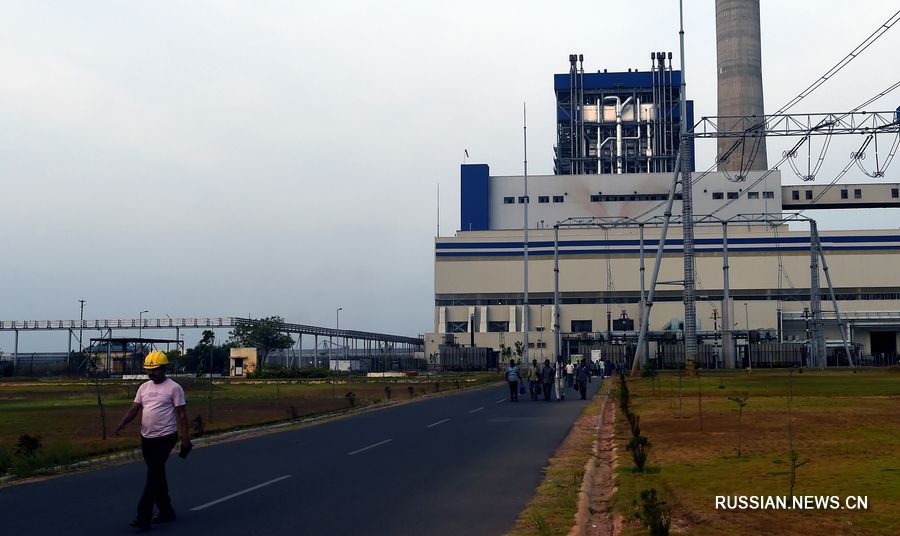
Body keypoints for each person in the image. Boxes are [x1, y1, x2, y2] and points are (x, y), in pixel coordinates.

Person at [115, 351, 191, 531]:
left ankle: (143, 516)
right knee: (157, 476)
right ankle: (167, 512)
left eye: (155, 370)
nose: (151, 374)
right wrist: (122, 423)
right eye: (149, 370)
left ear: (164, 369)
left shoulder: (174, 388)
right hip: (147, 438)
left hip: (166, 437)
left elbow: (182, 415)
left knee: (152, 477)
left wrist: (185, 439)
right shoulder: (144, 388)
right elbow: (135, 408)